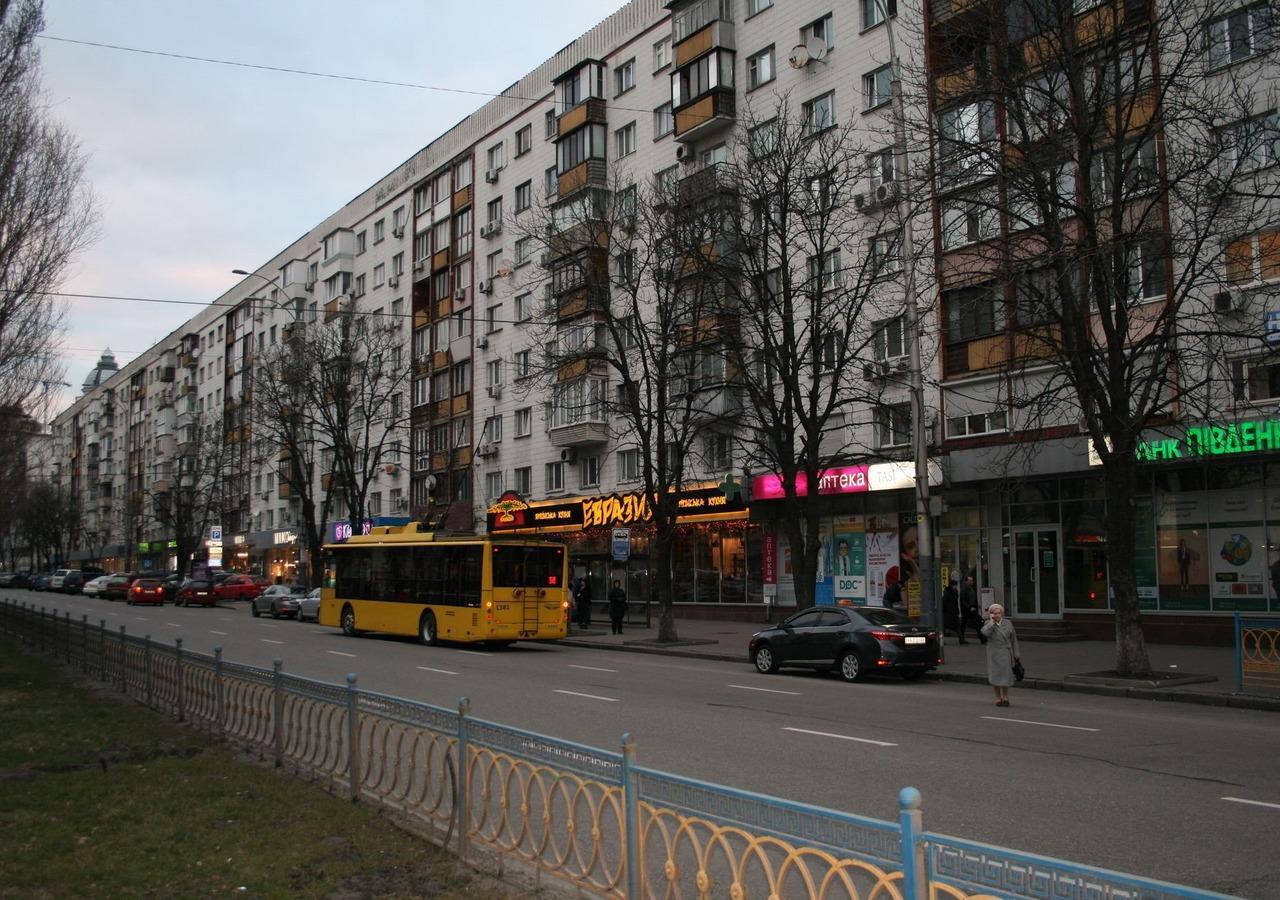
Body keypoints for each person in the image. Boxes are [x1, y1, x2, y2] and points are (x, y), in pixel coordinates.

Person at [980, 603, 1019, 707]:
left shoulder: (1008, 623)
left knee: (1006, 676)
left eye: (999, 613)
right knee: (996, 676)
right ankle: (998, 697)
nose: (997, 615)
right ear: (991, 614)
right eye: (995, 613)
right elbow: (984, 633)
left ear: (1002, 613)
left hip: (1006, 653)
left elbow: (1014, 639)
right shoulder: (988, 624)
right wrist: (991, 623)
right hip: (994, 654)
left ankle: (1005, 697)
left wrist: (1016, 653)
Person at [958, 574, 985, 645]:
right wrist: (969, 608)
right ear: (966, 581)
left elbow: (974, 599)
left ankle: (983, 638)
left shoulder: (972, 589)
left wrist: (976, 607)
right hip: (967, 611)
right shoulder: (964, 590)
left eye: (972, 580)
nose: (971, 582)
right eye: (970, 580)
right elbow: (963, 601)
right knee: (965, 625)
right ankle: (962, 639)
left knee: (979, 622)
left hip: (972, 610)